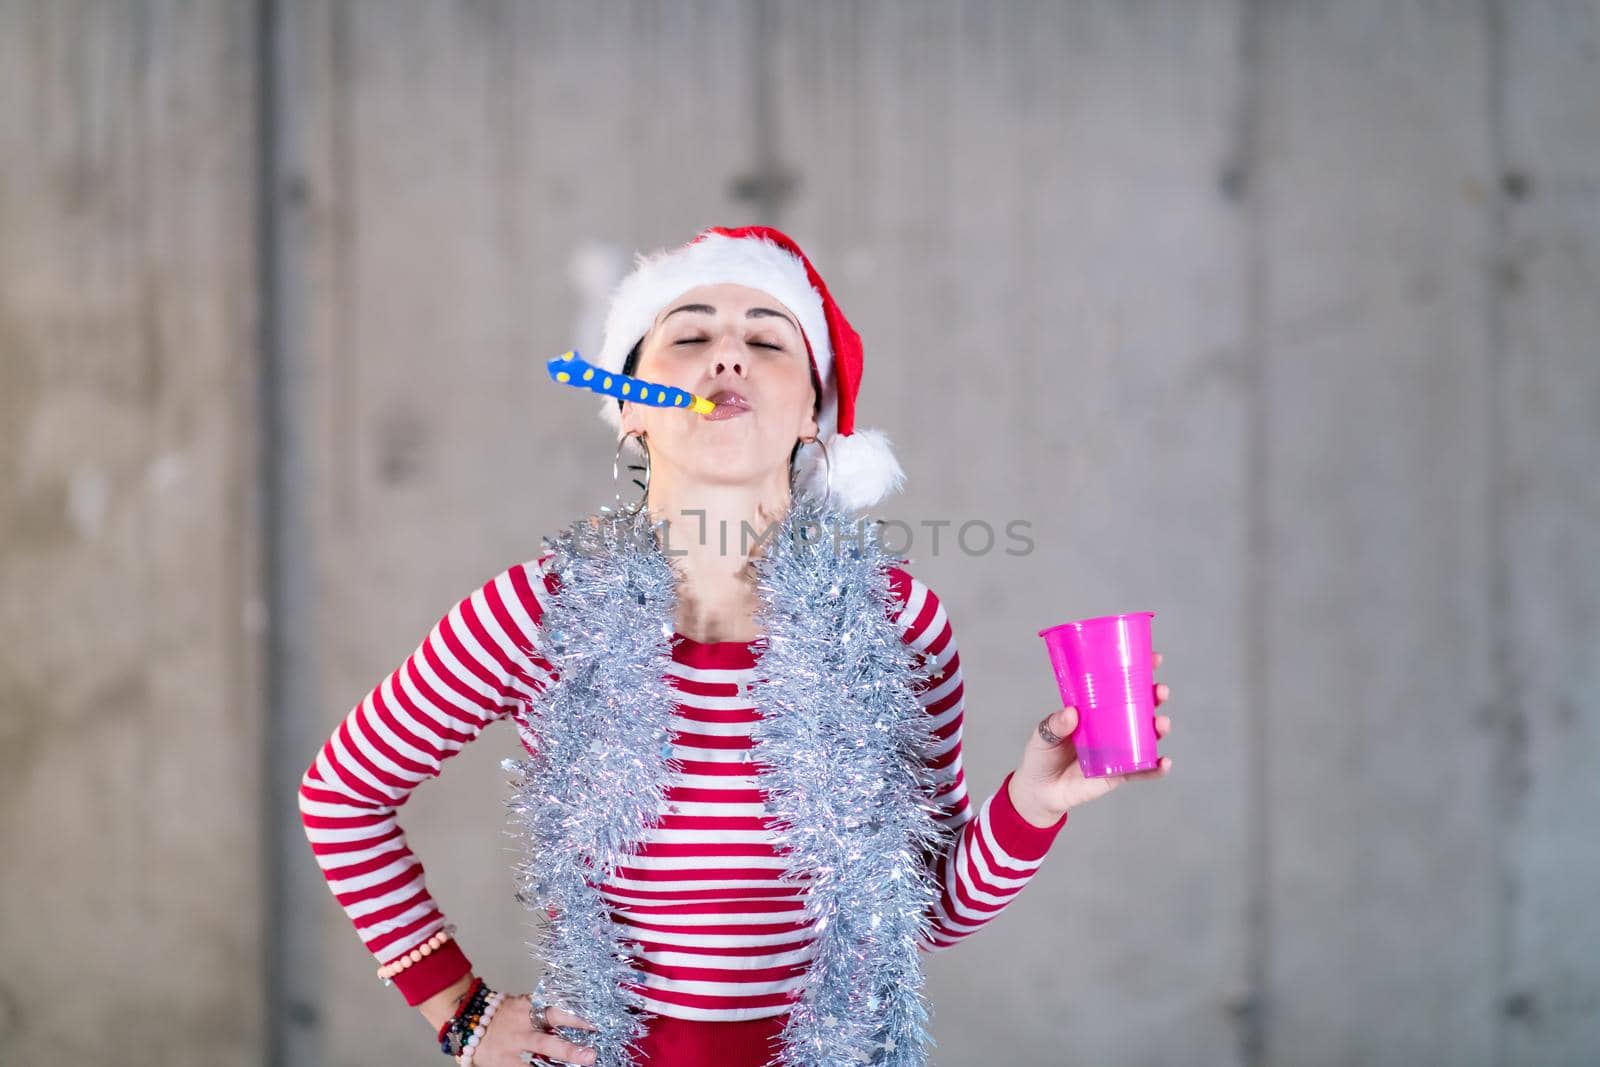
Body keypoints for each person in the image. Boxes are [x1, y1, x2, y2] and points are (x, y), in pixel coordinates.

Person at [297, 225, 1174, 1067]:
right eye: (688, 335)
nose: (728, 356)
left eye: (768, 340)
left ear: (813, 414)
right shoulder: (540, 612)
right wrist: (462, 1013)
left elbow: (923, 913)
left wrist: (1034, 800)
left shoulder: (900, 624)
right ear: (632, 409)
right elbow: (341, 797)